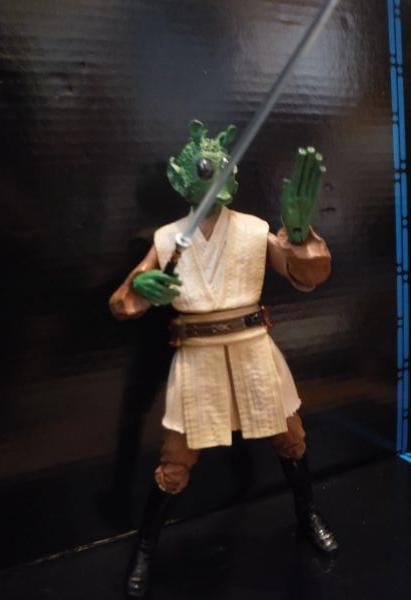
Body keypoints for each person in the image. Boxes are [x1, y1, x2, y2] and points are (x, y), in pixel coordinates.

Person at [110, 120, 338, 598]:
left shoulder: (255, 230)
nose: (216, 172)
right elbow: (122, 302)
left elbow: (305, 275)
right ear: (180, 177)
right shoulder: (167, 239)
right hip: (198, 358)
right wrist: (141, 287)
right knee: (176, 461)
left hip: (254, 349)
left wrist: (297, 236)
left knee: (291, 438)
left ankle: (308, 515)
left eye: (224, 165)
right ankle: (145, 548)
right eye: (204, 166)